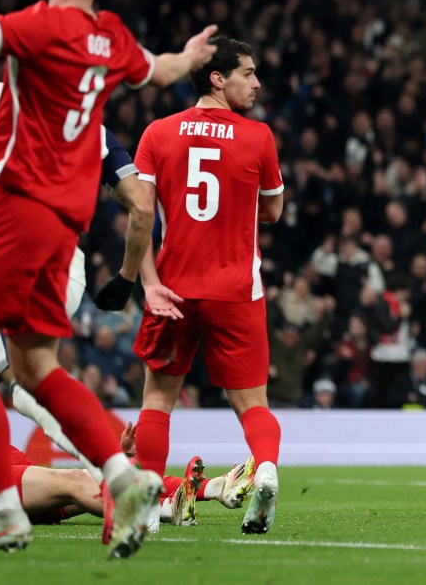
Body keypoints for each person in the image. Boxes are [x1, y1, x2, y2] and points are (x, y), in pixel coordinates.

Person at [0, 0, 216, 559]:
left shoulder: (40, 26)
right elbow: (162, 70)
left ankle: (3, 511)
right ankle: (125, 480)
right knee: (35, 367)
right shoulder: (111, 37)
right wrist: (190, 55)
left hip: (12, 209)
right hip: (64, 228)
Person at [0, 80, 151, 531]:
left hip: (11, 262)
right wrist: (127, 277)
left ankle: (116, 477)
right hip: (64, 266)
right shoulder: (91, 127)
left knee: (11, 379)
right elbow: (142, 205)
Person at [129, 36, 284, 536]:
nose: (256, 83)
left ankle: (148, 506)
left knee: (158, 399)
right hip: (237, 289)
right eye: (248, 73)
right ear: (218, 78)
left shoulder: (158, 132)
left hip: (172, 288)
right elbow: (273, 211)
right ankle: (265, 470)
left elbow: (140, 214)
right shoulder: (258, 136)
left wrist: (145, 281)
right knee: (252, 403)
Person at [0, 416, 258, 530]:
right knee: (79, 481)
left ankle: (215, 488)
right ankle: (163, 510)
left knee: (103, 475)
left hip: (2, 477)